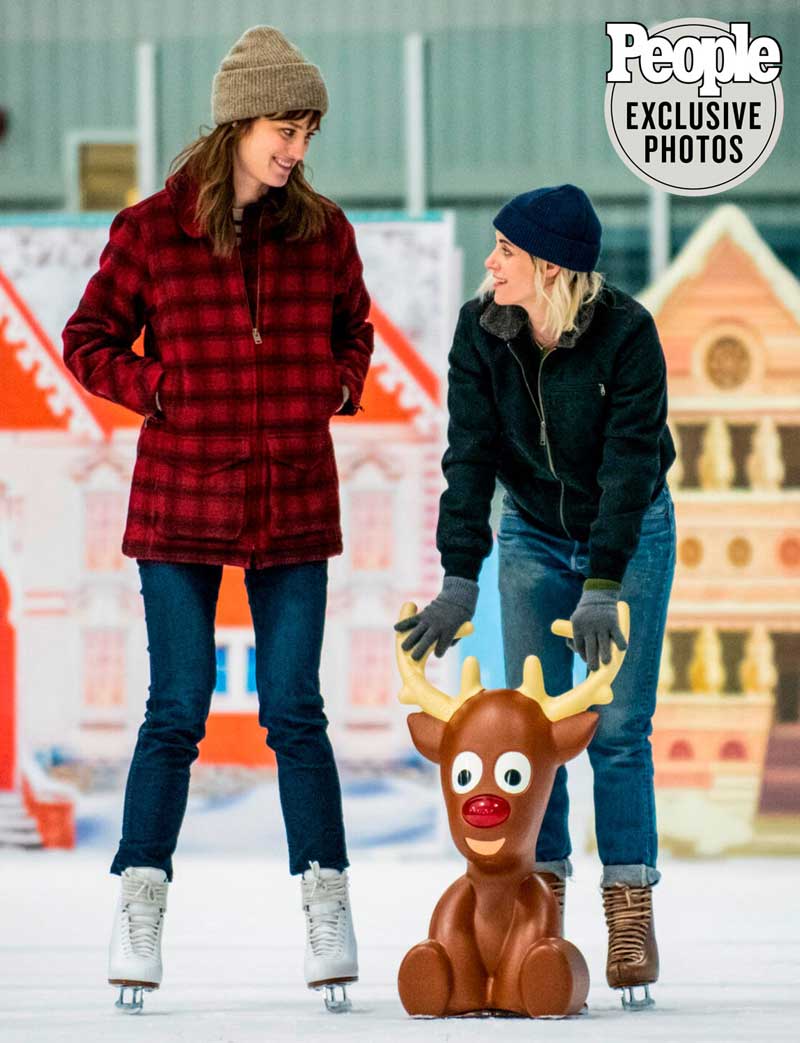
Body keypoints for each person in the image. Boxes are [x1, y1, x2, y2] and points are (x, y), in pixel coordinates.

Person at [62, 26, 372, 1013]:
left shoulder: (322, 231)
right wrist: (157, 387)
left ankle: (326, 899)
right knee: (176, 707)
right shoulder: (151, 230)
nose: (296, 147)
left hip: (292, 495)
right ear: (239, 120)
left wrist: (333, 381)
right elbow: (86, 337)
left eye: (308, 129)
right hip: (180, 496)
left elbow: (353, 330)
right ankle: (138, 902)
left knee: (295, 710)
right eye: (286, 126)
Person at [395, 184, 676, 1008]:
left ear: (550, 267)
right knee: (532, 724)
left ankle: (628, 911)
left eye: (506, 252)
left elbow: (630, 468)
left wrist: (603, 582)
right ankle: (536, 910)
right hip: (529, 533)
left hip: (630, 532)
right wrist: (457, 574)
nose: (490, 264)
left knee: (619, 725)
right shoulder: (481, 328)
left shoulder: (628, 334)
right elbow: (470, 455)